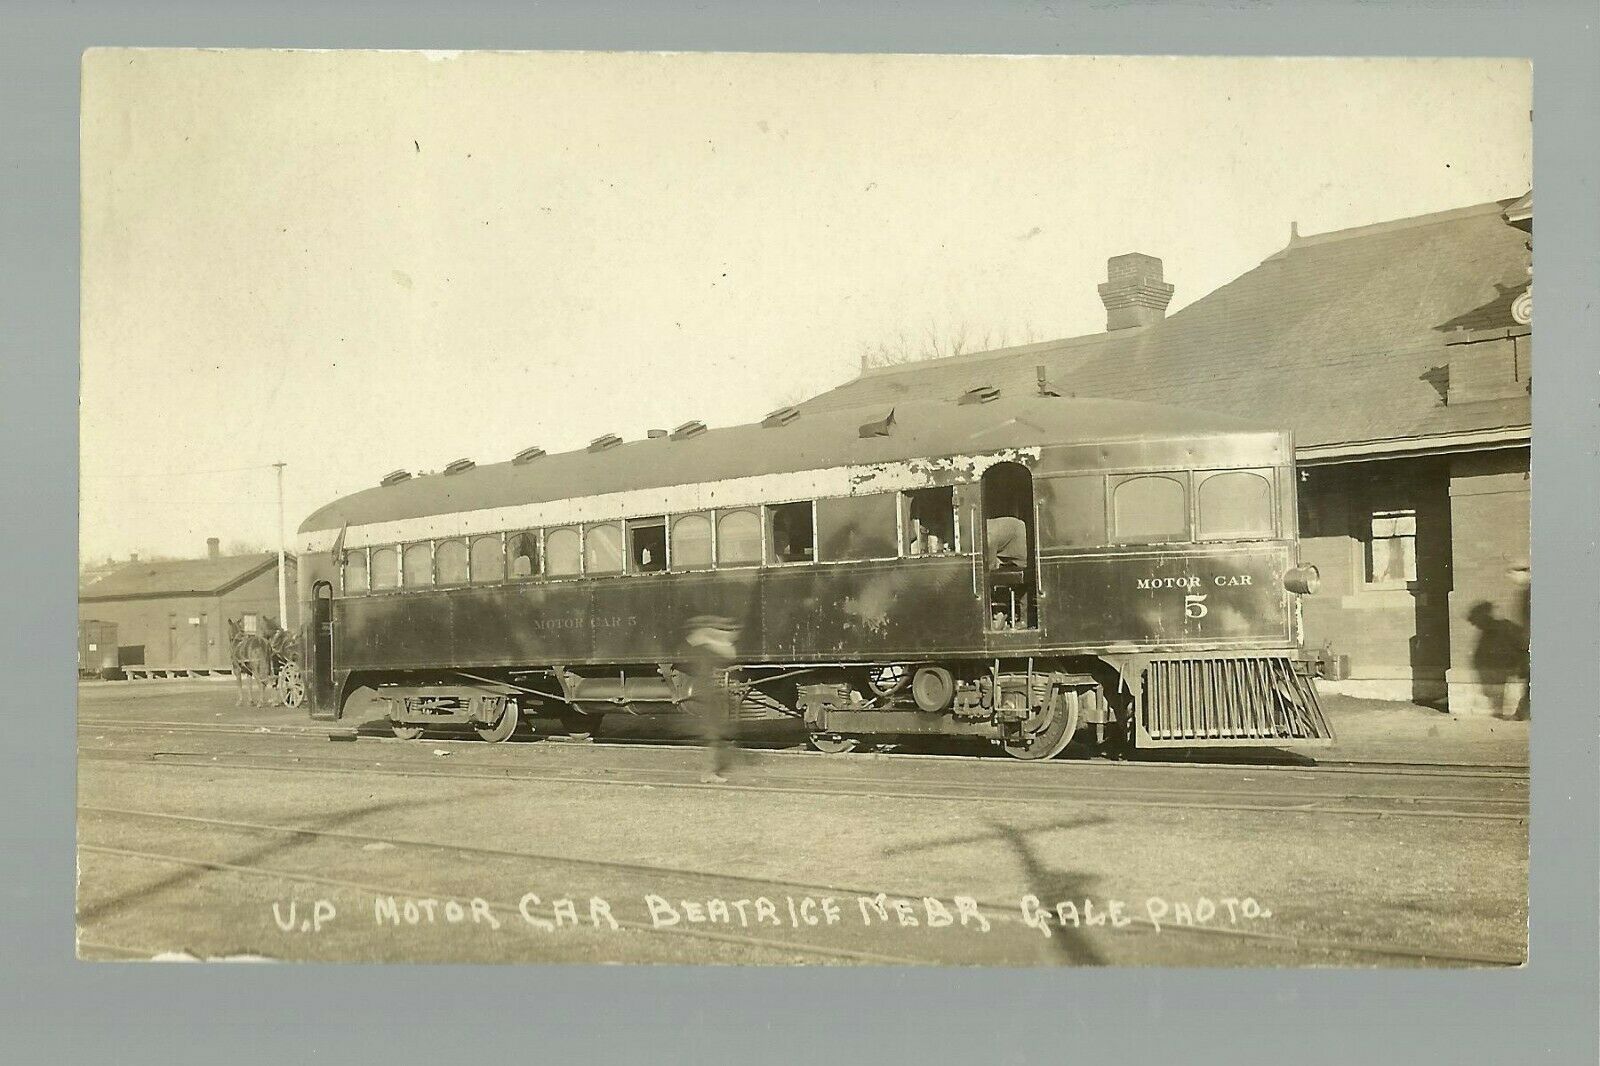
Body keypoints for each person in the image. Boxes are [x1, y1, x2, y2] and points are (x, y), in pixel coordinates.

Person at [683, 615, 741, 783]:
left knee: (715, 735)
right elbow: (728, 653)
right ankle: (708, 773)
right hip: (707, 695)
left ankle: (709, 772)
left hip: (707, 694)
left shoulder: (700, 646)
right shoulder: (705, 648)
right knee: (714, 734)